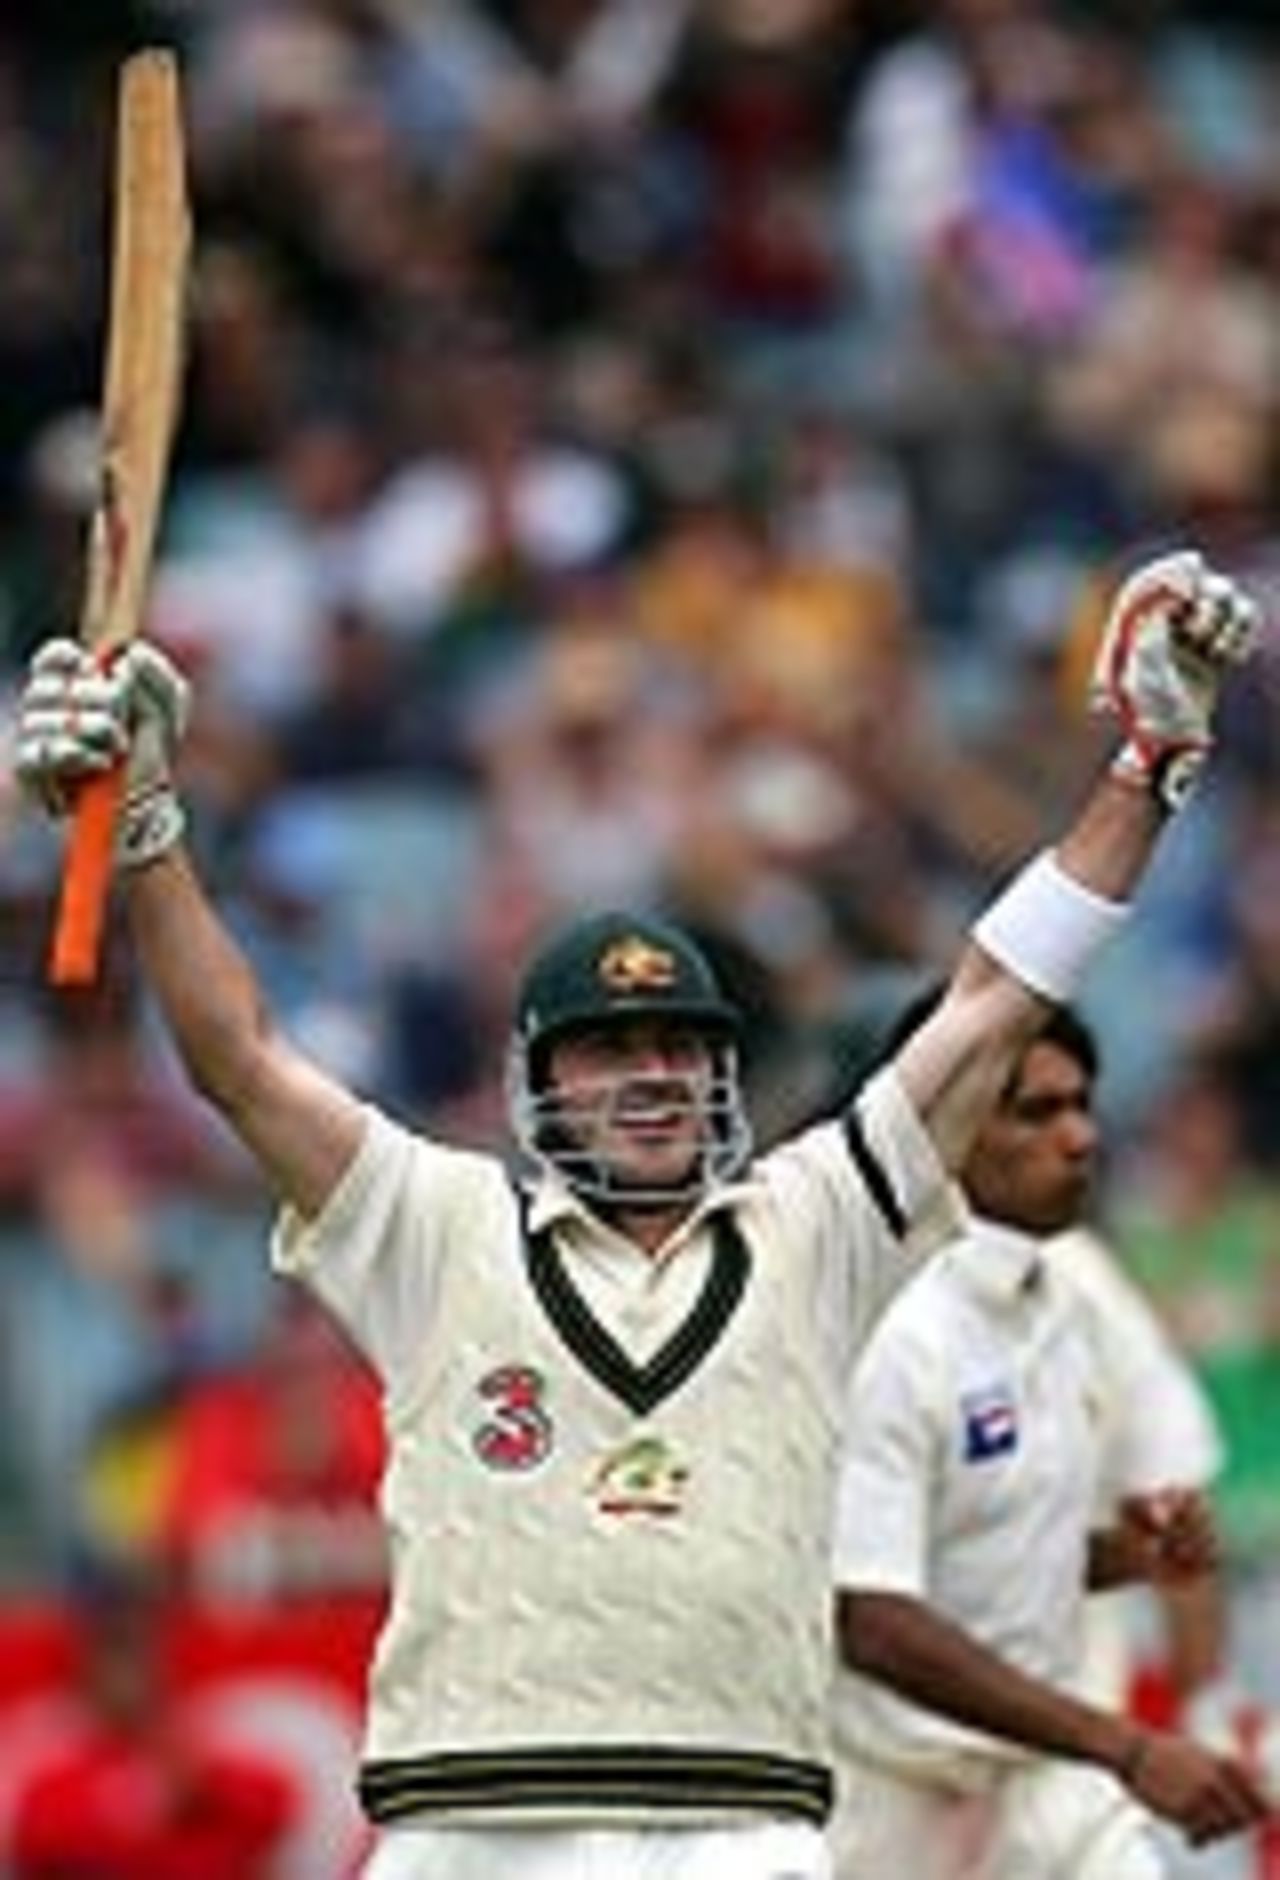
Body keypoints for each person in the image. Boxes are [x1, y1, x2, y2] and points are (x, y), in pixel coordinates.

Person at [12, 546, 1262, 1880]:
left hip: (740, 1828)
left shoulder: (816, 1227)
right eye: (609, 1050)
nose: (652, 1074)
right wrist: (145, 819)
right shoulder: (437, 1228)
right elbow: (239, 1060)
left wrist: (1149, 772)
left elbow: (995, 1001)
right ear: (540, 1081)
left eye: (680, 1044)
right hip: (467, 1829)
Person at [830, 998, 1271, 1879]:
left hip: (1048, 1784)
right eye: (1038, 1112)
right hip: (889, 1798)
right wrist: (1128, 1748)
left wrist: (1131, 1554)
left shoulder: (1064, 1300)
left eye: (1084, 1106)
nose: (1080, 1138)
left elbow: (991, 1554)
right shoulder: (887, 1327)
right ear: (943, 1131)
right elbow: (872, 1619)